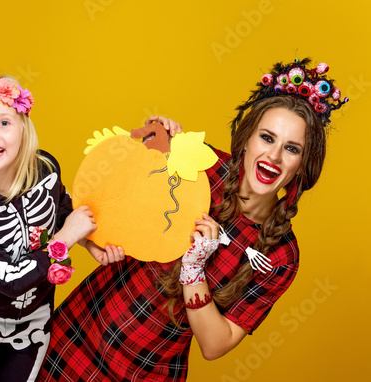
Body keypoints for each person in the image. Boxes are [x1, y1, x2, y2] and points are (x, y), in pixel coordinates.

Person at [38, 58, 348, 381]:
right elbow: (103, 200)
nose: (273, 156)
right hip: (78, 333)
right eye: (267, 138)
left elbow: (215, 345)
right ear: (247, 140)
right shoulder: (202, 166)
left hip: (145, 373)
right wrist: (151, 142)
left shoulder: (281, 256)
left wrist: (194, 269)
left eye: (292, 148)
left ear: (303, 163)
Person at [0, 75, 125, 382]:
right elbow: (8, 278)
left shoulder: (46, 169)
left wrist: (89, 242)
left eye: (4, 123)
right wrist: (66, 238)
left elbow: (62, 211)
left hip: (33, 327)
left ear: (24, 131)